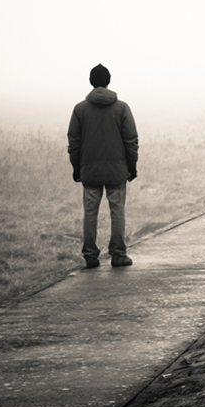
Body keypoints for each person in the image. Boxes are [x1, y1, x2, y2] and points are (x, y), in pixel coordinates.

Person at [68, 64, 139, 268]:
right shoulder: (122, 108)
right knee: (117, 212)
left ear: (91, 82)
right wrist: (132, 166)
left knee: (90, 213)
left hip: (89, 170)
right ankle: (118, 254)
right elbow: (131, 139)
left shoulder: (80, 109)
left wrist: (76, 167)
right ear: (109, 81)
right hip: (117, 171)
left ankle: (90, 256)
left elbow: (74, 141)